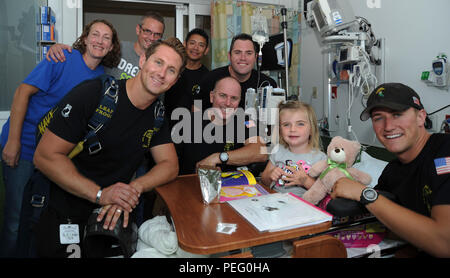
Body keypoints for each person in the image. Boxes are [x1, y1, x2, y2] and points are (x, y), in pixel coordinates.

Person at [32, 37, 186, 257]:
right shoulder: (94, 93)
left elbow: (170, 165)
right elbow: (45, 157)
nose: (161, 73)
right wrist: (100, 194)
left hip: (109, 220)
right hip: (66, 214)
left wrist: (133, 189)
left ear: (176, 80)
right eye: (158, 62)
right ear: (143, 60)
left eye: (171, 70)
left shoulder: (157, 114)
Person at [0, 19, 121, 258]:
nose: (100, 41)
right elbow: (22, 92)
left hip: (54, 157)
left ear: (111, 47)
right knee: (15, 221)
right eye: (95, 34)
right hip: (24, 147)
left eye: (106, 38)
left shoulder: (101, 79)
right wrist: (12, 141)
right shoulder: (62, 58)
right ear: (85, 39)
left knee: (40, 218)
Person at [331, 83, 450, 257]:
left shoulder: (445, 152)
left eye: (397, 114)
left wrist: (364, 193)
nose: (388, 126)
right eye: (378, 117)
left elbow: (445, 243)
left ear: (420, 117)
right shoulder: (392, 172)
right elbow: (386, 220)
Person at [174, 76, 267, 175]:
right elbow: (170, 164)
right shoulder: (187, 122)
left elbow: (261, 152)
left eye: (234, 98)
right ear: (212, 97)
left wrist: (218, 158)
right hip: (190, 185)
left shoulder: (245, 121)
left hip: (232, 187)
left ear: (239, 101)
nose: (228, 103)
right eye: (222, 95)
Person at [46, 11, 165, 80]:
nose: (151, 38)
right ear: (138, 30)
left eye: (157, 34)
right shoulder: (117, 48)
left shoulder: (158, 64)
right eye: (147, 31)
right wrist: (58, 47)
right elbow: (90, 53)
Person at [193, 33, 277, 111]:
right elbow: (195, 112)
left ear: (255, 57)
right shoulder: (210, 80)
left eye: (248, 53)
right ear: (229, 56)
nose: (243, 58)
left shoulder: (267, 84)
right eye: (237, 52)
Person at [260, 100, 327, 197]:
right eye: (286, 124)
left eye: (300, 124)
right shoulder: (278, 151)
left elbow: (325, 193)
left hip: (303, 207)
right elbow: (264, 180)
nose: (292, 129)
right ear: (280, 130)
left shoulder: (320, 158)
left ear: (311, 129)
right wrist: (271, 175)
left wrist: (306, 181)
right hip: (275, 202)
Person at [164, 28, 210, 124]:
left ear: (206, 50)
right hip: (163, 124)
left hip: (188, 129)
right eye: (192, 43)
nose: (196, 48)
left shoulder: (207, 77)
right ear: (185, 44)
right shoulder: (172, 68)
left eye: (201, 45)